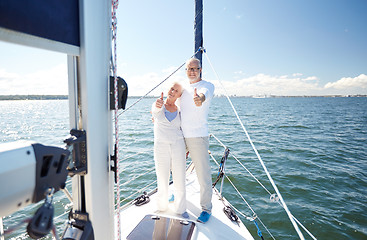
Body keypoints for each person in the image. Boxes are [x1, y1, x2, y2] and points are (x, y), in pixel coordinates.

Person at [179, 57, 215, 223]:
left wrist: (199, 99)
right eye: (189, 69)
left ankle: (206, 209)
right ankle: (177, 195)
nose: (192, 71)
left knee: (203, 175)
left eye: (195, 68)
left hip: (197, 135)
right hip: (179, 134)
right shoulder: (182, 87)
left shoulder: (207, 86)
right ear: (186, 70)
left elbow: (204, 95)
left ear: (200, 69)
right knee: (176, 168)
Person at [151, 82, 188, 218]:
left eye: (176, 90)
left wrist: (187, 147)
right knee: (162, 177)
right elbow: (155, 111)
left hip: (178, 145)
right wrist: (157, 106)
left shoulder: (179, 109)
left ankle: (180, 209)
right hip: (161, 146)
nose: (172, 91)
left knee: (179, 178)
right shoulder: (158, 104)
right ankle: (161, 207)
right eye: (172, 88)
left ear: (179, 95)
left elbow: (185, 127)